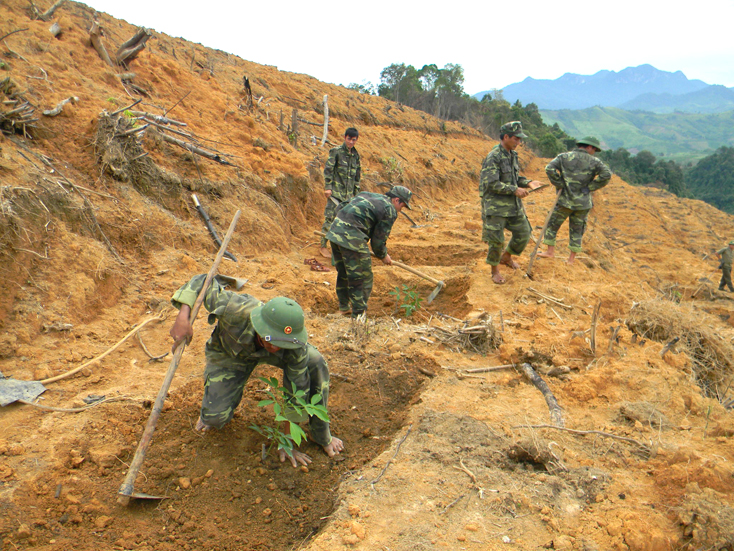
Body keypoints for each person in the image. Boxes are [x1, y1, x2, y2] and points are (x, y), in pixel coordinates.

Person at [169, 274, 344, 467]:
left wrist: (287, 442)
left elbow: (295, 393)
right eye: (271, 339)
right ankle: (213, 412)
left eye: (281, 343)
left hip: (277, 359)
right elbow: (203, 280)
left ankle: (320, 434)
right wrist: (183, 317)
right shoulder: (234, 308)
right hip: (229, 353)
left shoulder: (294, 347)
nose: (275, 346)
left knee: (316, 362)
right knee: (215, 418)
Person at [325, 186, 412, 318]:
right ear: (396, 200)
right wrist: (383, 255)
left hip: (335, 232)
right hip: (352, 238)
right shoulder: (389, 210)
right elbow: (378, 242)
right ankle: (358, 315)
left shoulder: (367, 194)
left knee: (344, 273)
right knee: (363, 277)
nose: (401, 210)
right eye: (403, 206)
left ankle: (344, 308)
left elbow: (341, 207)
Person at [479, 121, 544, 284]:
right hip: (495, 207)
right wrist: (514, 190)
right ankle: (494, 270)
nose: (518, 142)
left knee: (524, 232)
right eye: (516, 139)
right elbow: (491, 183)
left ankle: (506, 257)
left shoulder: (512, 155)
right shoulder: (493, 157)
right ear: (505, 137)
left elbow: (515, 178)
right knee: (496, 240)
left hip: (512, 205)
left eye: (520, 139)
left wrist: (528, 182)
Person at [538, 136, 612, 264]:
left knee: (552, 225)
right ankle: (571, 259)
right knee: (577, 230)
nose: (594, 152)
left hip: (564, 201)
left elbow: (549, 168)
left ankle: (550, 252)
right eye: (594, 149)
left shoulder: (563, 157)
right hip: (582, 204)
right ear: (589, 147)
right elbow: (607, 175)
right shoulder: (595, 162)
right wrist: (591, 187)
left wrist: (559, 183)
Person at [320, 127, 361, 258]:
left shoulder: (355, 156)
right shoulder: (336, 152)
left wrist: (356, 193)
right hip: (336, 193)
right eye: (349, 139)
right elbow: (329, 170)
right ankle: (322, 245)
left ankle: (340, 247)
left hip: (348, 196)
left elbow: (357, 176)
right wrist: (328, 187)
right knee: (330, 218)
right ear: (345, 137)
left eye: (353, 140)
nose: (351, 142)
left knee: (345, 221)